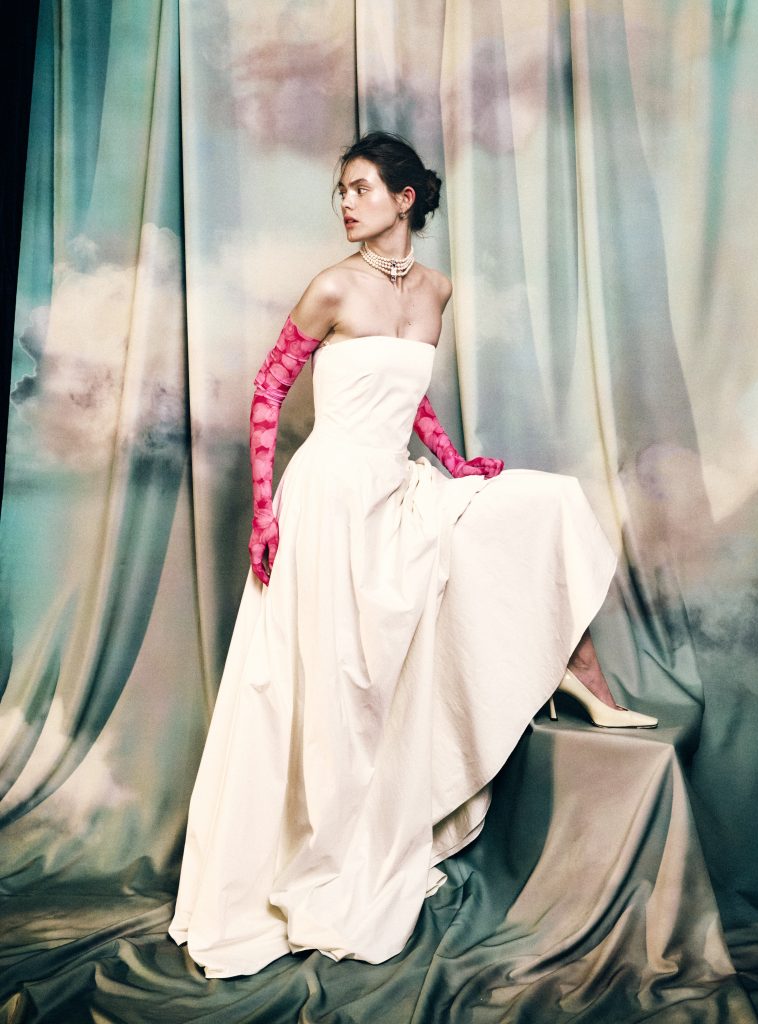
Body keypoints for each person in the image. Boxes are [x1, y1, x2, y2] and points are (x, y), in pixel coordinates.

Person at [168, 131, 657, 979]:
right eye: (340, 191)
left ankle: (578, 669)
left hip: (395, 485)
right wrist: (263, 509)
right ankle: (318, 854)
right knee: (338, 684)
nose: (345, 203)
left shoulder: (436, 288)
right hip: (327, 500)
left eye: (359, 188)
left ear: (404, 199)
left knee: (544, 502)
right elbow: (268, 389)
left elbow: (409, 393)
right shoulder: (330, 285)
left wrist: (454, 459)